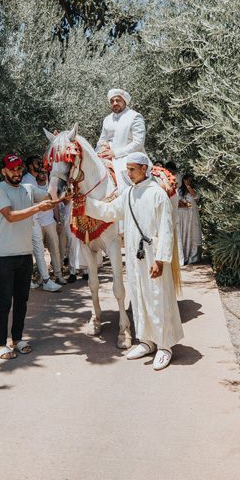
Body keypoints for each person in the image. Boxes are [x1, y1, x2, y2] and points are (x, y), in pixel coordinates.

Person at [85, 152, 183, 370]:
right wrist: (85, 203)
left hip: (153, 257)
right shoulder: (128, 193)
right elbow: (109, 211)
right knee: (138, 297)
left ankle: (164, 346)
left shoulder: (157, 194)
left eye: (132, 169)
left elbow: (167, 230)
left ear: (144, 169)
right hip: (134, 256)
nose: (128, 174)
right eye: (127, 169)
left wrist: (160, 260)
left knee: (158, 298)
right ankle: (146, 341)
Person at [0, 153, 61, 360]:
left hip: (24, 254)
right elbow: (10, 216)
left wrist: (62, 188)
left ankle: (17, 339)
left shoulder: (28, 189)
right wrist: (38, 207)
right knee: (4, 302)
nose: (17, 172)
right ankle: (0, 344)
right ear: (4, 171)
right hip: (3, 255)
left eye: (19, 168)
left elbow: (49, 198)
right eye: (12, 169)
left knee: (22, 300)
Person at [22, 155, 61, 292]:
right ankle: (41, 280)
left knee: (37, 251)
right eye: (36, 163)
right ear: (30, 166)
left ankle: (44, 280)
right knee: (31, 252)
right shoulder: (27, 180)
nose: (39, 164)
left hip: (35, 221)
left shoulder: (33, 180)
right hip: (30, 221)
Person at [96, 89, 146, 188]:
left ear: (124, 101)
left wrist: (115, 153)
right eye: (112, 101)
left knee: (125, 181)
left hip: (128, 156)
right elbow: (101, 141)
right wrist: (101, 148)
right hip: (106, 155)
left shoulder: (134, 116)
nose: (114, 103)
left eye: (118, 100)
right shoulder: (107, 119)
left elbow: (138, 143)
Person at [34, 168, 65, 284]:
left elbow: (55, 206)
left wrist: (58, 222)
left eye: (45, 173)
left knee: (55, 250)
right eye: (41, 173)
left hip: (50, 223)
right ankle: (42, 276)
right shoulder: (33, 188)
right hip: (37, 224)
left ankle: (58, 275)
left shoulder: (50, 188)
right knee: (39, 252)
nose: (43, 175)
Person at [177, 174, 203, 265]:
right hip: (182, 215)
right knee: (183, 233)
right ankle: (183, 256)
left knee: (192, 233)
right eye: (185, 180)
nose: (187, 181)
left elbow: (196, 197)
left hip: (192, 215)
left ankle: (193, 257)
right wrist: (183, 204)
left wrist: (188, 187)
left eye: (189, 180)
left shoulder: (195, 189)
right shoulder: (179, 190)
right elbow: (176, 202)